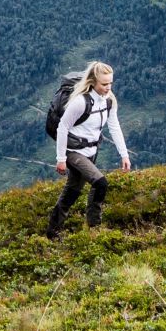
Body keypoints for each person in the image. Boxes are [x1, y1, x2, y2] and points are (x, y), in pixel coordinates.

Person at [46, 61, 130, 237]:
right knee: (101, 183)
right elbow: (62, 127)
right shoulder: (80, 102)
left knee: (72, 191)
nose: (108, 88)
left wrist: (124, 155)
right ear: (93, 81)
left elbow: (114, 126)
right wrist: (61, 159)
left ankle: (52, 232)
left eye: (110, 83)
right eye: (104, 84)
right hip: (73, 151)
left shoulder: (109, 101)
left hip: (91, 151)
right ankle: (94, 228)